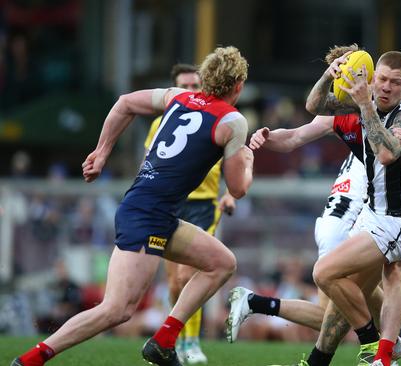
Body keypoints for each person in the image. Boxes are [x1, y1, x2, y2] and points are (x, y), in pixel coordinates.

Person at [11, 46, 254, 366]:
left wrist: (101, 152)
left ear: (206, 77)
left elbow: (125, 102)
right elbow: (237, 188)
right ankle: (29, 360)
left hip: (155, 211)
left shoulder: (176, 96)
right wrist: (247, 160)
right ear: (238, 86)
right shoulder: (233, 121)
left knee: (222, 262)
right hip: (148, 214)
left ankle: (165, 340)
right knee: (117, 309)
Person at [227, 82, 401, 366]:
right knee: (345, 299)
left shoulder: (393, 128)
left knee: (377, 283)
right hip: (360, 219)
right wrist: (265, 137)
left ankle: (379, 348)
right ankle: (375, 347)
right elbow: (306, 120)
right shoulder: (365, 128)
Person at [296, 49, 401, 366]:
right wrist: (330, 75)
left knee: (324, 272)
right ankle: (345, 356)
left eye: (395, 83)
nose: (386, 87)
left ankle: (375, 347)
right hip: (374, 215)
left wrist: (365, 104)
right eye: (381, 79)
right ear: (374, 78)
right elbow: (314, 106)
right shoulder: (369, 99)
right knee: (346, 287)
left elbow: (386, 154)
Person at [144, 63, 237, 365]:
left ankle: (190, 342)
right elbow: (150, 161)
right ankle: (176, 339)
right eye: (184, 86)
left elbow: (236, 160)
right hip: (173, 201)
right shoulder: (163, 121)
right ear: (175, 89)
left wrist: (230, 194)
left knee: (190, 274)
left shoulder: (217, 118)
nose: (191, 91)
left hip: (204, 203)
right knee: (174, 282)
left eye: (195, 85)